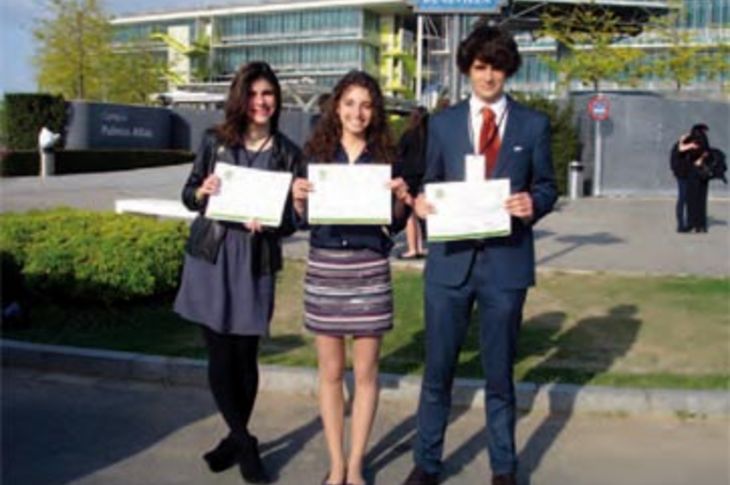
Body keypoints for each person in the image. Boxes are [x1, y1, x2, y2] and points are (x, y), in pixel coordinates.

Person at [404, 25, 558, 485]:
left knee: (499, 375)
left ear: (508, 70)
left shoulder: (533, 125)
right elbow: (424, 183)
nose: (488, 76)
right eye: (480, 67)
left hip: (506, 264)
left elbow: (548, 185)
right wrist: (420, 204)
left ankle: (503, 466)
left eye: (496, 67)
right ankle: (427, 463)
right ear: (468, 69)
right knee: (438, 371)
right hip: (450, 262)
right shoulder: (444, 123)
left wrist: (536, 203)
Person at [174, 61, 303, 484]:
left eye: (268, 94)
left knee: (245, 356)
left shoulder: (288, 152)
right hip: (212, 256)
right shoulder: (216, 141)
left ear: (276, 99)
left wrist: (272, 221)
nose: (261, 102)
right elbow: (189, 194)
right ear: (240, 98)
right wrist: (202, 190)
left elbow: (292, 221)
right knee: (219, 354)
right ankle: (246, 443)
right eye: (253, 94)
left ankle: (235, 438)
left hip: (254, 259)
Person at [291, 70, 411, 485]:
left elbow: (395, 225)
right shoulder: (316, 155)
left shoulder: (386, 157)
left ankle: (356, 465)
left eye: (365, 104)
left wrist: (401, 203)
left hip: (369, 268)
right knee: (329, 374)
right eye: (349, 104)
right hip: (326, 267)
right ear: (336, 108)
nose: (357, 112)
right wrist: (298, 199)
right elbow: (300, 220)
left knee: (365, 375)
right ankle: (335, 464)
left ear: (374, 110)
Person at [397, 106, 429, 260]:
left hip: (409, 176)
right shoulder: (430, 136)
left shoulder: (408, 135)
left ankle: (412, 248)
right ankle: (421, 246)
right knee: (420, 211)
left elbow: (399, 155)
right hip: (425, 175)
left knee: (410, 214)